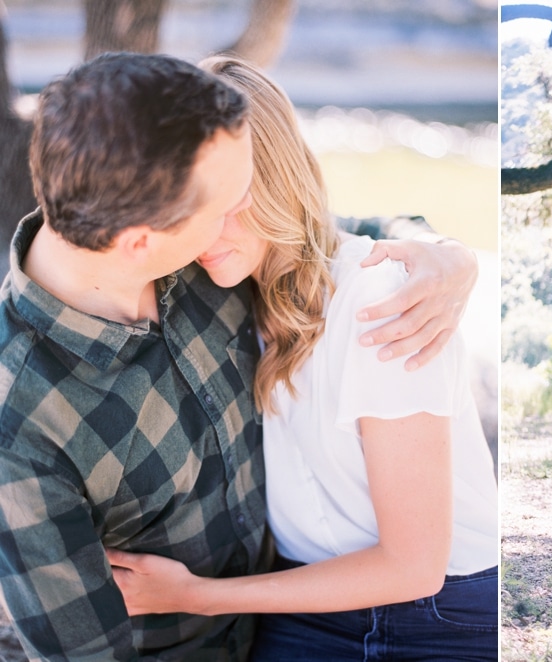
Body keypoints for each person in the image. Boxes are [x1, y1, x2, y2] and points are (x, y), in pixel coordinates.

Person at [0, 52, 478, 660]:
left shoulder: (201, 247)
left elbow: (307, 230)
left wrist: (440, 250)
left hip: (283, 625)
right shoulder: (21, 423)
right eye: (227, 204)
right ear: (145, 240)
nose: (242, 216)